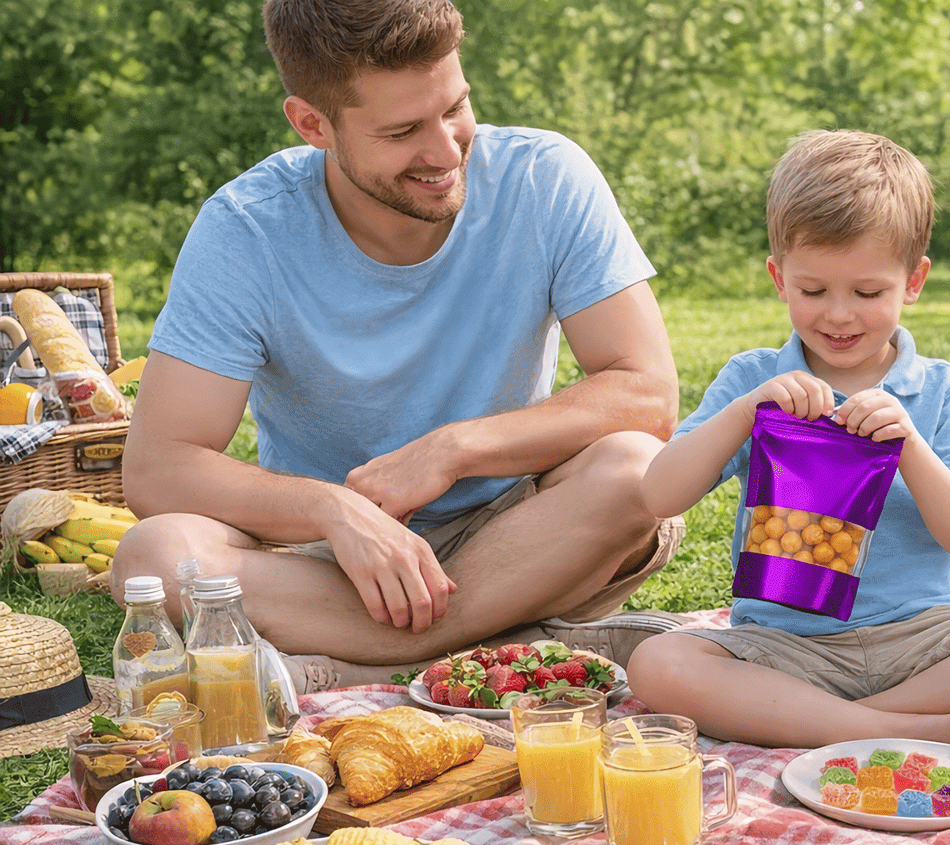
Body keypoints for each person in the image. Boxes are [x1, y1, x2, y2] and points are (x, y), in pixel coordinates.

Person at [112, 0, 686, 689]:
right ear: (312, 124)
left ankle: (363, 664)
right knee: (153, 556)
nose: (445, 151)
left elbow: (647, 394)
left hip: (521, 527)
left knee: (633, 468)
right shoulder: (246, 230)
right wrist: (335, 509)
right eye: (403, 130)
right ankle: (516, 646)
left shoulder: (545, 176)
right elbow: (157, 468)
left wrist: (451, 450)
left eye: (454, 108)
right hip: (340, 564)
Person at [627, 130, 950, 750]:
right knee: (657, 664)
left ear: (914, 280)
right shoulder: (754, 380)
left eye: (868, 293)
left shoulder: (945, 391)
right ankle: (891, 728)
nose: (839, 315)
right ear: (779, 278)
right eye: (813, 290)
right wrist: (744, 413)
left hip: (923, 637)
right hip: (785, 645)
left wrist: (911, 447)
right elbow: (659, 494)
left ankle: (831, 722)